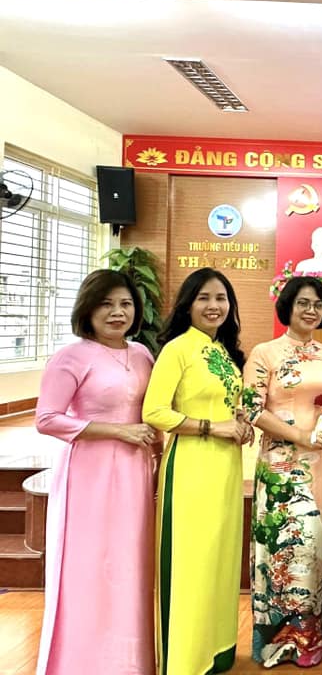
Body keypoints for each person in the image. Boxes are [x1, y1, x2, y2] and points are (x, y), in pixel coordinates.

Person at [34, 269, 156, 675]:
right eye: (106, 304)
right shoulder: (71, 357)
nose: (117, 312)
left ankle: (129, 662)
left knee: (129, 564)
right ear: (87, 309)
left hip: (135, 471)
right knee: (88, 566)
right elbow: (47, 419)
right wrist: (118, 431)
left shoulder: (142, 354)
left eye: (125, 304)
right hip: (89, 473)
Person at [143, 268, 252, 675]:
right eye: (203, 298)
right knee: (192, 563)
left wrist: (239, 421)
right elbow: (155, 412)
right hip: (191, 466)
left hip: (225, 467)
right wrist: (212, 427)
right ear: (187, 304)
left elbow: (224, 403)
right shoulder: (177, 349)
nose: (213, 306)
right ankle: (185, 660)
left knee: (219, 561)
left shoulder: (222, 350)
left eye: (221, 298)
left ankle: (215, 650)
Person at [243, 276, 322, 668]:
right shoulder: (264, 353)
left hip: (320, 464)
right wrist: (300, 436)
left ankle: (309, 640)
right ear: (287, 306)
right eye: (303, 303)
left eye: (318, 304)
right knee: (280, 547)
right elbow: (252, 408)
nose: (311, 310)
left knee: (314, 544)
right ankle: (276, 641)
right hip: (281, 466)